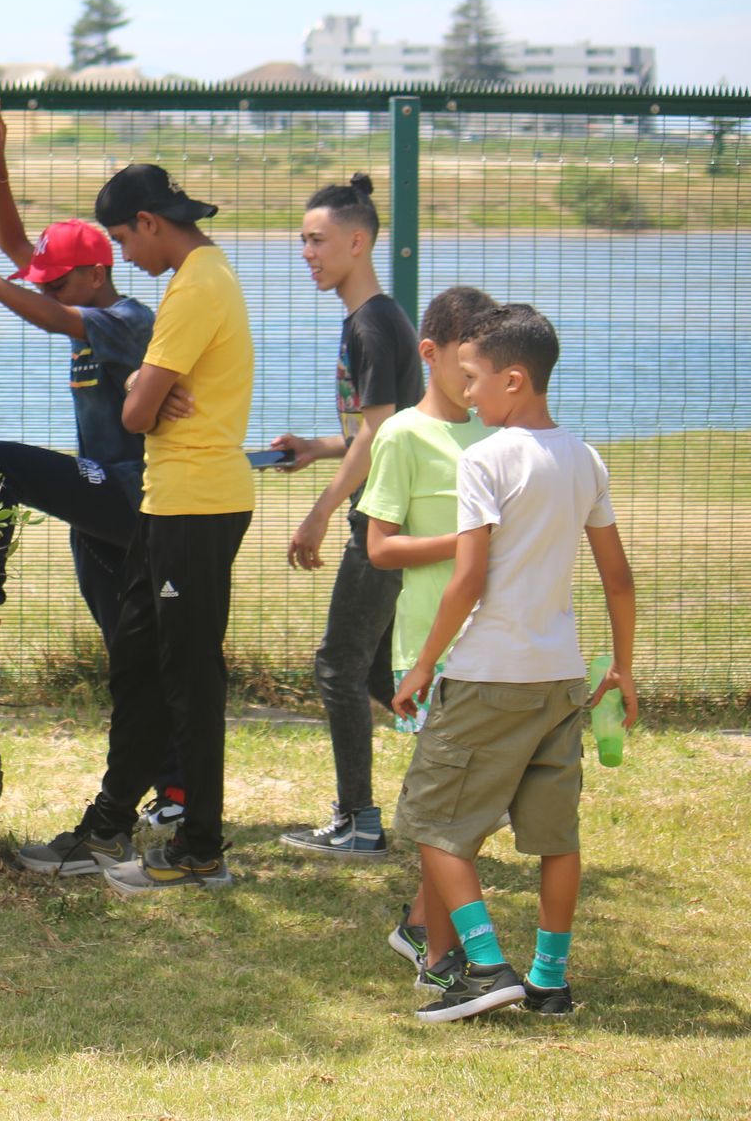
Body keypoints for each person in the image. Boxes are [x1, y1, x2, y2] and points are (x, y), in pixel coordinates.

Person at [0, 102, 191, 877]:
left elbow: (43, 312)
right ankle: (166, 786)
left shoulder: (130, 317)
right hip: (101, 513)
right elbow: (19, 249)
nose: (51, 287)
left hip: (135, 496)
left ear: (97, 271)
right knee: (128, 658)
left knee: (1, 461)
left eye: (61, 280)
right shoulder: (82, 291)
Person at [391, 303, 638, 1022]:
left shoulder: (485, 459)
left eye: (474, 379)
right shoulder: (584, 458)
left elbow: (468, 579)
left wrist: (421, 666)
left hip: (488, 675)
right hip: (559, 681)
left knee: (433, 824)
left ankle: (486, 967)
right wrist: (620, 666)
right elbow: (618, 579)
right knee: (556, 837)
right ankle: (549, 982)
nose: (466, 393)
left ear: (515, 379)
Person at [89, 165, 257, 897]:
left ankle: (200, 847)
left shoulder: (195, 285)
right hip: (166, 503)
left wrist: (137, 391)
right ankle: (107, 824)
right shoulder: (199, 277)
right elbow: (143, 400)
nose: (124, 256)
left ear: (151, 222)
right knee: (136, 661)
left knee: (189, 677)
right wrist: (142, 389)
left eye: (124, 238)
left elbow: (133, 414)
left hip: (198, 503)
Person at [270, 175, 424, 859]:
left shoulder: (369, 324)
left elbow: (380, 434)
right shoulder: (377, 318)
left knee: (338, 666)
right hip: (390, 512)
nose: (306, 252)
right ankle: (494, 769)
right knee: (379, 676)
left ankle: (358, 822)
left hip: (381, 521)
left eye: (318, 240)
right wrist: (317, 445)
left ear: (357, 243)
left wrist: (321, 512)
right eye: (303, 240)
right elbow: (375, 427)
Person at [354, 285, 499, 983]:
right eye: (467, 367)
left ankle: (420, 925)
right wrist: (464, 544)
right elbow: (381, 547)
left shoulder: (498, 430)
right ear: (431, 354)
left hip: (499, 646)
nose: (476, 383)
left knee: (476, 804)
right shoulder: (403, 434)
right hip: (431, 653)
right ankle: (435, 950)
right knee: (453, 810)